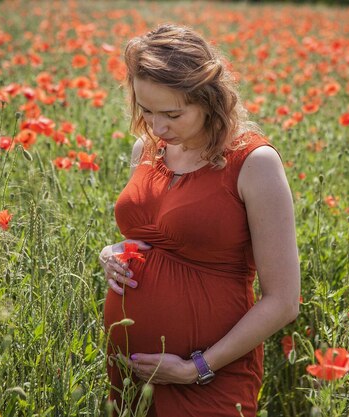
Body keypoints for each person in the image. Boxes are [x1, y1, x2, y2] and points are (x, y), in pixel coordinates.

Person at [99, 24, 300, 417]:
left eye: (172, 113)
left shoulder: (254, 163)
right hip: (128, 372)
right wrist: (112, 251)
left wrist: (196, 368)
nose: (157, 127)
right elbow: (154, 238)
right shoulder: (147, 149)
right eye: (147, 110)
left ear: (210, 99)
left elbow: (283, 301)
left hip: (210, 374)